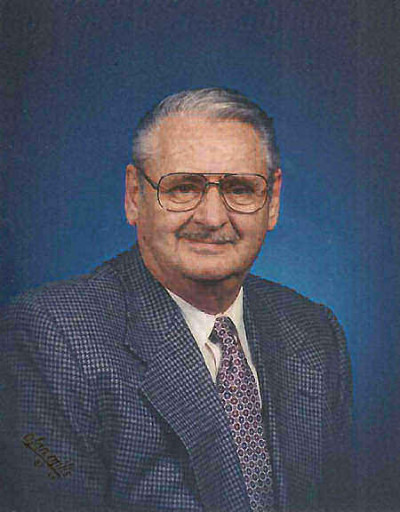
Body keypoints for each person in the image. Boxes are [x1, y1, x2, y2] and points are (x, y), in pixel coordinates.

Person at [0, 88, 353, 512]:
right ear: (135, 196)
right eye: (183, 187)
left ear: (272, 201)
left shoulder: (315, 333)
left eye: (240, 188)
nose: (212, 218)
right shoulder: (51, 337)